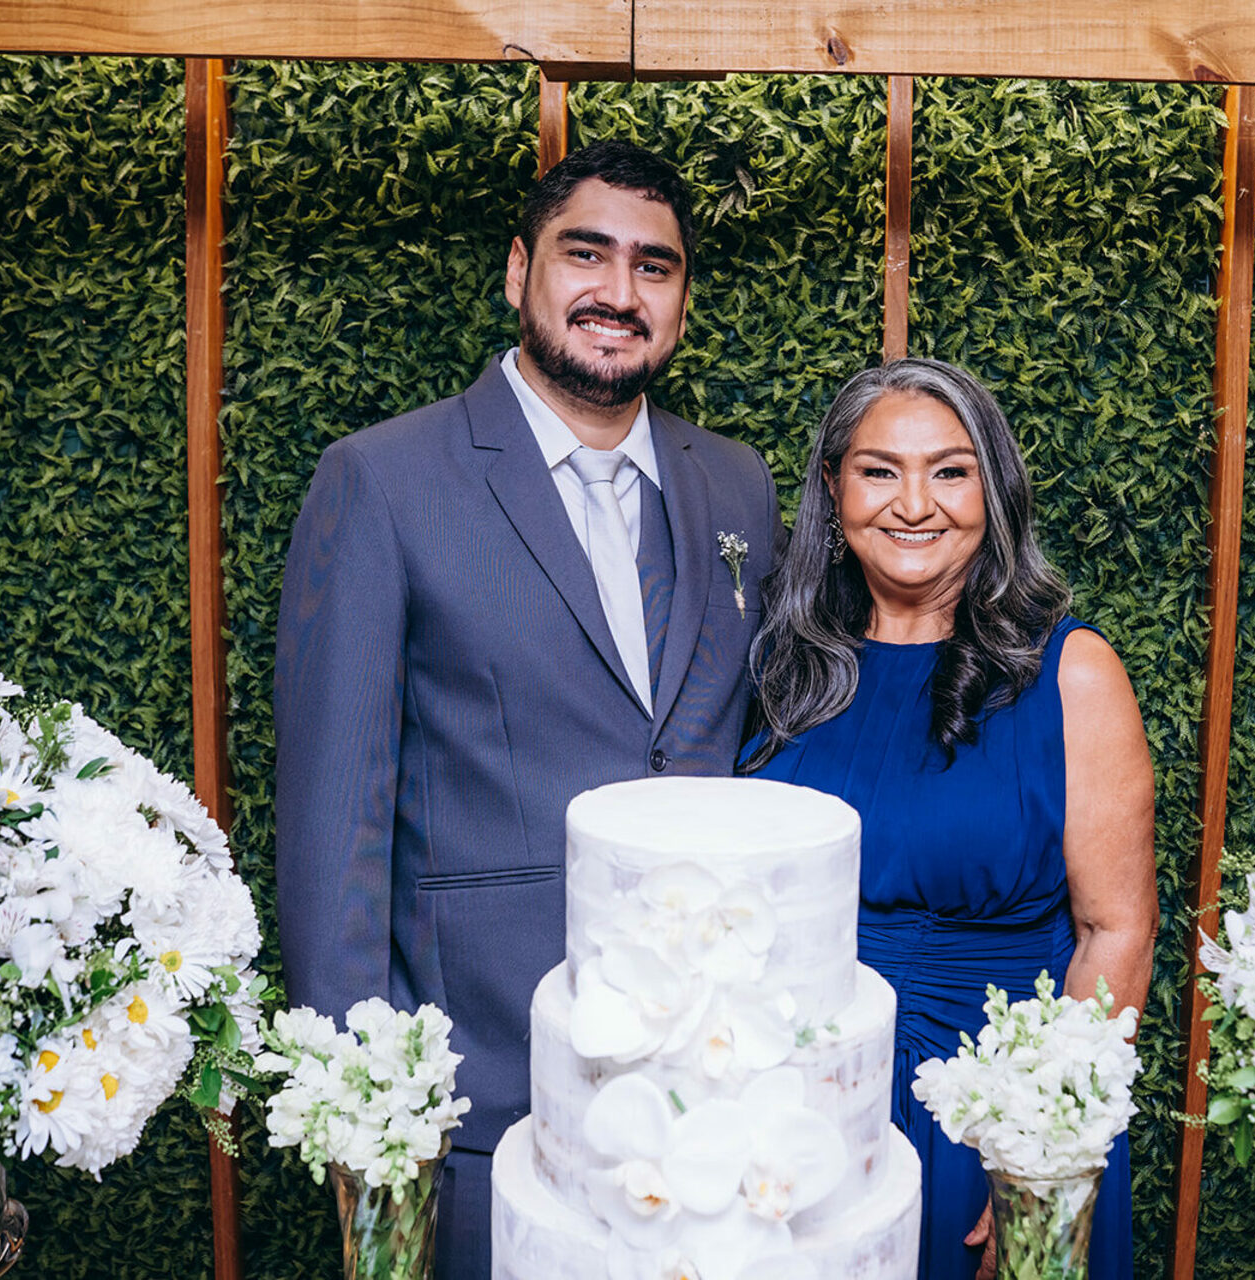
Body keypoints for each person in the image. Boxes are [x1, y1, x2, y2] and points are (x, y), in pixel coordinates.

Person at [274, 141, 783, 1277]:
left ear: (682, 298)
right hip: (478, 1094)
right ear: (519, 271)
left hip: (709, 1102)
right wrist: (369, 1104)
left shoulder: (737, 484)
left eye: (655, 266)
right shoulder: (383, 479)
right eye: (585, 254)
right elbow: (332, 821)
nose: (619, 291)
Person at [744, 358, 1157, 1280]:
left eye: (950, 471)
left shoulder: (1071, 673)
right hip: (796, 1114)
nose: (913, 504)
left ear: (993, 491)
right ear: (833, 490)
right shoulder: (783, 669)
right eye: (879, 470)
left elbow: (1118, 932)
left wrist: (1042, 1165)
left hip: (984, 1118)